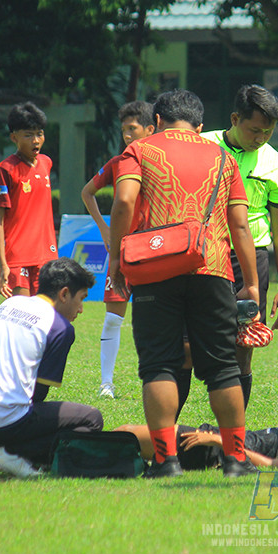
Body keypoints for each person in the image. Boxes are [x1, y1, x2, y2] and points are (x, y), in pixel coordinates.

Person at [106, 89, 260, 479]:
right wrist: (252, 284)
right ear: (201, 126)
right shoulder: (223, 157)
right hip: (212, 268)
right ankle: (236, 460)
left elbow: (124, 202)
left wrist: (116, 258)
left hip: (155, 268)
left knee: (158, 364)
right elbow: (240, 224)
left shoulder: (140, 151)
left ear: (156, 121)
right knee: (223, 367)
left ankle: (165, 461)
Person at [0, 257, 103, 478]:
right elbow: (38, 395)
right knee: (92, 419)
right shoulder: (60, 327)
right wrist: (9, 437)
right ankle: (12, 454)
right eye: (81, 299)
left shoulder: (10, 303)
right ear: (64, 294)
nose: (81, 309)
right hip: (2, 425)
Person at [201, 85, 278, 409]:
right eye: (254, 130)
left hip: (252, 260)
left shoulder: (276, 164)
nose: (260, 138)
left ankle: (234, 438)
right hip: (205, 254)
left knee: (244, 344)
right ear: (234, 119)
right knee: (191, 344)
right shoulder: (204, 147)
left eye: (267, 132)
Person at [80, 101, 155, 399]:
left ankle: (154, 379)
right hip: (123, 251)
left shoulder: (160, 162)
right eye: (123, 129)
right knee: (114, 317)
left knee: (152, 318)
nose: (126, 134)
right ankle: (106, 383)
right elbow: (87, 192)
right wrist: (104, 227)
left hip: (154, 249)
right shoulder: (119, 162)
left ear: (151, 129)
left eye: (132, 128)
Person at [0, 102, 58, 298]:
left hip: (46, 255)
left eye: (39, 134)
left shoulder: (46, 163)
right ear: (14, 137)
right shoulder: (6, 169)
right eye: (28, 135)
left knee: (43, 317)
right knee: (21, 316)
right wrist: (2, 263)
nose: (35, 140)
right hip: (17, 257)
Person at [114, 422, 278, 470]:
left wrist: (220, 442)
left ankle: (83, 449)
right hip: (221, 439)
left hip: (215, 450)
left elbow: (272, 464)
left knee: (127, 436)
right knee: (127, 434)